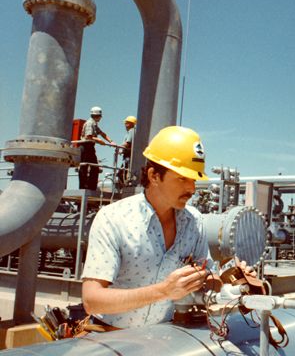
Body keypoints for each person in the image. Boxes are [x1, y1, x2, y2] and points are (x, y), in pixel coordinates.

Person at [81, 126, 212, 328]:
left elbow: (208, 278)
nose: (192, 189)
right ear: (154, 175)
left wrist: (235, 282)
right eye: (182, 178)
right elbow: (92, 300)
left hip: (161, 336)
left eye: (194, 179)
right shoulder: (114, 219)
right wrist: (164, 291)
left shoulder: (193, 222)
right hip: (108, 336)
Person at [78, 106, 115, 190]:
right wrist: (99, 141)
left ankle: (91, 187)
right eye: (100, 116)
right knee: (84, 167)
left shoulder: (94, 124)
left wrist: (111, 141)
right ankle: (83, 187)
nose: (100, 118)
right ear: (97, 116)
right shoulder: (89, 123)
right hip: (85, 147)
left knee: (94, 167)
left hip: (90, 147)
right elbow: (88, 136)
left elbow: (102, 133)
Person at [116, 115, 136, 189]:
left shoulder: (132, 131)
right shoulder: (133, 131)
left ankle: (125, 188)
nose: (125, 125)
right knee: (123, 173)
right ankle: (125, 187)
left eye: (127, 123)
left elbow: (128, 143)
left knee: (121, 174)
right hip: (129, 155)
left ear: (131, 123)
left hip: (128, 155)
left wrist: (119, 147)